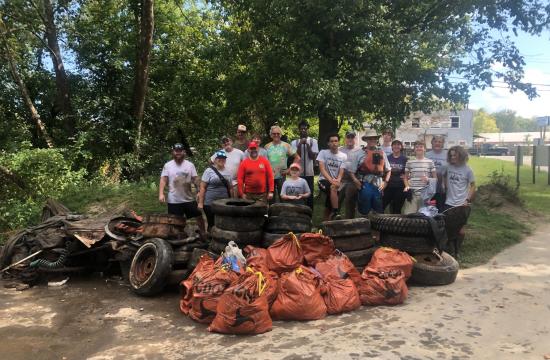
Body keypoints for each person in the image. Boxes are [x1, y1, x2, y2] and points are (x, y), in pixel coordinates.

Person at [159, 143, 206, 237]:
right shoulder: (168, 165)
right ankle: (176, 237)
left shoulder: (190, 165)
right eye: (176, 151)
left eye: (180, 151)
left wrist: (199, 191)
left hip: (189, 198)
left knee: (198, 216)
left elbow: (195, 179)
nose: (178, 153)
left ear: (184, 152)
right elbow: (163, 179)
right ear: (173, 152)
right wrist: (161, 194)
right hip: (174, 200)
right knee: (174, 221)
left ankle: (203, 233)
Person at [347, 129, 391, 215]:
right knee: (364, 209)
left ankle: (378, 226)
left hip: (378, 184)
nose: (372, 140)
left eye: (374, 138)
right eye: (370, 138)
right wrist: (356, 181)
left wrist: (386, 182)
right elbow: (351, 171)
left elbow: (388, 170)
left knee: (378, 209)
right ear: (366, 140)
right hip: (364, 184)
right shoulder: (359, 153)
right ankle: (363, 224)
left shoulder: (382, 153)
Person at [198, 150, 232, 231]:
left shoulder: (228, 171)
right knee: (211, 223)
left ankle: (221, 240)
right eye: (219, 158)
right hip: (210, 203)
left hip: (224, 203)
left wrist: (232, 201)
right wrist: (200, 203)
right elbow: (202, 187)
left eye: (223, 158)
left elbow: (230, 188)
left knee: (223, 223)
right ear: (215, 160)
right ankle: (211, 240)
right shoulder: (208, 171)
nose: (221, 160)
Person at [265, 125, 300, 202]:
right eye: (274, 133)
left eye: (278, 133)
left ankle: (283, 213)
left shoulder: (286, 145)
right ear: (271, 135)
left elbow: (297, 157)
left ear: (281, 134)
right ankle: (271, 213)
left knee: (283, 198)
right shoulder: (267, 146)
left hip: (282, 175)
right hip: (270, 176)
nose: (276, 135)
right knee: (271, 199)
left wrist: (289, 170)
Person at [317, 133, 348, 220]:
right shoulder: (323, 153)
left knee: (329, 203)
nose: (334, 143)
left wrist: (338, 180)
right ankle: (336, 211)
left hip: (336, 181)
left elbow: (341, 171)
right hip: (323, 180)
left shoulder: (343, 156)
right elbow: (322, 170)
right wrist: (332, 181)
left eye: (336, 141)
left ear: (338, 142)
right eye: (331, 141)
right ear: (328, 143)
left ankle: (325, 223)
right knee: (333, 188)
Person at [403, 141, 437, 214]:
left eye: (421, 146)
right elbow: (405, 178)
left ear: (425, 149)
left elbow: (435, 179)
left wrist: (428, 179)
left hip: (425, 194)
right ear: (414, 149)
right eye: (417, 147)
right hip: (412, 193)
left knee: (424, 217)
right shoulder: (409, 162)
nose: (419, 148)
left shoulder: (430, 162)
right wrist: (407, 186)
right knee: (409, 215)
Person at [290, 120, 318, 209]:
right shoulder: (294, 142)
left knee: (309, 194)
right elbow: (297, 156)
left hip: (309, 172)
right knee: (298, 193)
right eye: (301, 129)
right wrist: (300, 145)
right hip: (297, 173)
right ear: (299, 130)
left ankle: (309, 215)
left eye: (305, 129)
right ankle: (298, 213)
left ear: (308, 130)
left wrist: (307, 145)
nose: (303, 130)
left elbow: (311, 156)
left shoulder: (313, 141)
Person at [339, 131, 362, 219]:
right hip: (341, 179)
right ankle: (334, 220)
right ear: (345, 138)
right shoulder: (340, 149)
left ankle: (349, 222)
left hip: (353, 180)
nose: (350, 139)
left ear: (355, 139)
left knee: (350, 201)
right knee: (336, 200)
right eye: (348, 137)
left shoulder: (360, 150)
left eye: (352, 137)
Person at [382, 140, 408, 214]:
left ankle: (395, 224)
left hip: (400, 186)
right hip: (388, 185)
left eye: (398, 145)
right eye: (394, 144)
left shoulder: (405, 159)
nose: (396, 146)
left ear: (401, 147)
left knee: (396, 209)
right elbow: (384, 171)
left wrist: (406, 177)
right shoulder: (387, 158)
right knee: (381, 206)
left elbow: (408, 172)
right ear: (392, 146)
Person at [426, 135, 448, 212]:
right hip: (429, 185)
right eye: (435, 141)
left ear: (443, 144)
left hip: (442, 185)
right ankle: (429, 222)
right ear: (432, 142)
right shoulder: (427, 154)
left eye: (440, 142)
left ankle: (440, 222)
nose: (437, 143)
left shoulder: (448, 155)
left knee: (441, 206)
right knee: (429, 206)